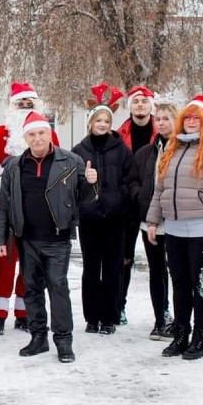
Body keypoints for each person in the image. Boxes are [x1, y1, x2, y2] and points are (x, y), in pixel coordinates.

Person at [0, 111, 98, 363]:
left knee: (58, 288)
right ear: (26, 138)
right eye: (32, 134)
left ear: (49, 133)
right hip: (26, 238)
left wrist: (91, 183)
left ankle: (63, 341)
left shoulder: (71, 161)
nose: (37, 138)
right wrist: (0, 240)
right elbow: (4, 206)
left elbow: (84, 198)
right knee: (32, 290)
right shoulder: (14, 166)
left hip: (57, 238)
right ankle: (38, 338)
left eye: (41, 133)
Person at [145, 96, 203, 360]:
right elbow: (160, 188)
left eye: (197, 117)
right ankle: (181, 333)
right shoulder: (173, 148)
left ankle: (200, 336)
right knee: (180, 284)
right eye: (188, 117)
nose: (192, 121)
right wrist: (153, 220)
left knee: (202, 286)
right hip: (174, 228)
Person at [0, 82, 61, 337]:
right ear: (12, 107)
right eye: (20, 103)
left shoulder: (47, 133)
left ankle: (25, 313)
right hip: (6, 209)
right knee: (4, 261)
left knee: (32, 265)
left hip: (38, 211)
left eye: (30, 103)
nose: (25, 107)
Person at [72, 82, 132, 335]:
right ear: (91, 123)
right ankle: (91, 317)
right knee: (91, 268)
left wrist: (119, 200)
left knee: (112, 268)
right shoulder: (78, 151)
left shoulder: (121, 149)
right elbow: (73, 186)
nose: (103, 125)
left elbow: (130, 180)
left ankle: (110, 316)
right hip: (90, 219)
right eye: (99, 120)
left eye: (107, 121)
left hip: (114, 218)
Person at [128, 95, 176, 340]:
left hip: (179, 221)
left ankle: (180, 319)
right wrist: (140, 196)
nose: (163, 123)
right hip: (150, 220)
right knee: (157, 270)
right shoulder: (146, 152)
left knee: (178, 272)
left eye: (168, 118)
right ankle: (160, 317)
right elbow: (134, 180)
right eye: (160, 119)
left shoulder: (185, 149)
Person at [116, 85, 157, 326]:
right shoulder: (120, 134)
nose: (140, 105)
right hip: (127, 206)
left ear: (151, 105)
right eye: (136, 101)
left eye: (144, 101)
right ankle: (119, 305)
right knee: (124, 258)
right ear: (130, 106)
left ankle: (162, 312)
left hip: (155, 206)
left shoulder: (161, 132)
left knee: (158, 262)